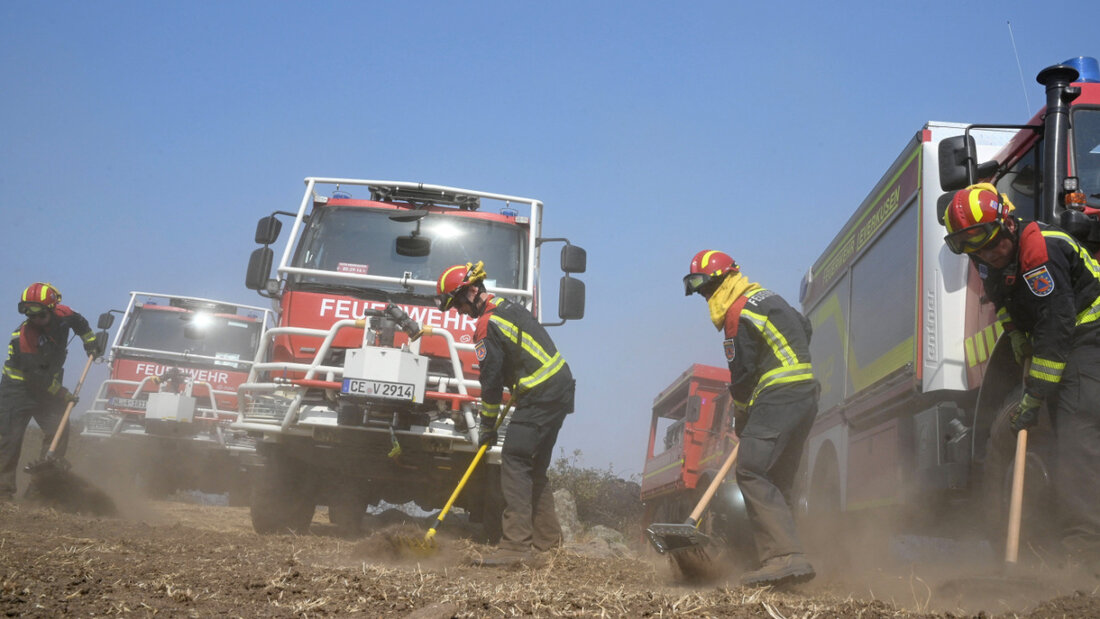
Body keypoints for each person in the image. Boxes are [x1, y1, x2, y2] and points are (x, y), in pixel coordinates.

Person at [943, 183, 1100, 569]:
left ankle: (1084, 550)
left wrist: (1034, 395)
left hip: (1088, 332)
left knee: (1076, 427)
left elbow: (1055, 328)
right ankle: (1013, 552)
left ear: (1008, 223)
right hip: (1060, 332)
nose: (986, 253)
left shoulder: (1040, 249)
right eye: (972, 247)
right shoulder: (986, 259)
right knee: (1031, 430)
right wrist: (1014, 335)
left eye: (990, 242)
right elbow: (1004, 301)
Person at [683, 250, 818, 586]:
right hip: (806, 395)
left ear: (722, 281)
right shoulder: (768, 297)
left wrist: (742, 415)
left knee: (751, 469)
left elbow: (741, 376)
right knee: (778, 478)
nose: (706, 296)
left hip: (779, 396)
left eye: (707, 289)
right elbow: (805, 326)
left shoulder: (736, 312)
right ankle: (785, 561)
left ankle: (783, 556)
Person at [436, 261, 576, 566]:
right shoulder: (508, 307)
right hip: (558, 388)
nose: (460, 312)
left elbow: (491, 383)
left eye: (458, 303)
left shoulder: (486, 325)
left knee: (513, 460)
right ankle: (548, 544)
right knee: (533, 468)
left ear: (473, 290)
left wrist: (487, 426)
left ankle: (515, 547)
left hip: (539, 394)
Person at [0, 283, 99, 500]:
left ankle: (40, 490)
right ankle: (4, 494)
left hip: (46, 389)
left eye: (41, 315)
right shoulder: (24, 337)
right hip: (17, 390)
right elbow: (36, 378)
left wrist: (91, 344)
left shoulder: (65, 314)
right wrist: (63, 394)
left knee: (59, 430)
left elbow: (82, 325)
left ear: (53, 309)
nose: (35, 320)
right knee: (10, 440)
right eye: (30, 314)